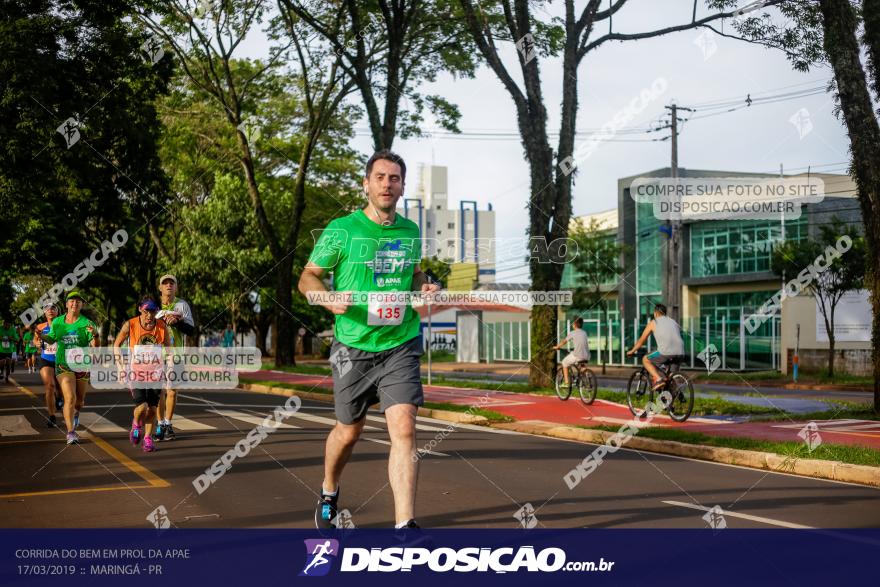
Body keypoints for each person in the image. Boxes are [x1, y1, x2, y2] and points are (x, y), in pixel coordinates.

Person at [299, 149, 439, 530]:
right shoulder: (342, 230)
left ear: (402, 186)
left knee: (405, 427)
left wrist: (423, 284)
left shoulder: (409, 231)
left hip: (400, 341)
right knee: (349, 431)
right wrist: (325, 298)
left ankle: (405, 527)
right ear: (366, 184)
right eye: (380, 177)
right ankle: (329, 488)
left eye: (394, 178)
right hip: (353, 346)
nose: (387, 184)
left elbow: (412, 272)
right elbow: (308, 276)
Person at [40, 292, 99, 444]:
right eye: (71, 301)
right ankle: (71, 432)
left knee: (79, 401)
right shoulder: (58, 322)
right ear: (66, 305)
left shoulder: (88, 323)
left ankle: (77, 412)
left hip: (81, 364)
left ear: (81, 305)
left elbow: (95, 346)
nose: (75, 303)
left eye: (78, 301)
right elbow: (51, 339)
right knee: (70, 397)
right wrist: (41, 336)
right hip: (63, 364)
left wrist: (96, 335)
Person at [114, 296, 170, 453]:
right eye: (146, 311)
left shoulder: (161, 326)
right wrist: (120, 367)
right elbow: (116, 345)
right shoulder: (130, 324)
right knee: (142, 407)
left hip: (156, 374)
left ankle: (147, 438)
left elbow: (169, 348)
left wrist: (170, 367)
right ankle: (136, 424)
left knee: (152, 409)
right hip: (136, 374)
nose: (149, 315)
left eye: (152, 311)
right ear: (140, 309)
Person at [154, 274, 194, 441]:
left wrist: (176, 322)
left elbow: (191, 330)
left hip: (174, 354)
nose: (169, 285)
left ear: (176, 287)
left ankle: (168, 423)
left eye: (172, 283)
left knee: (171, 391)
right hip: (155, 354)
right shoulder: (153, 305)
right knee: (157, 391)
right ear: (160, 288)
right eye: (165, 283)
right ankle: (160, 423)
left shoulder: (182, 305)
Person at [627, 303, 685, 391]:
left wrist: (632, 351)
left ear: (655, 313)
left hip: (665, 352)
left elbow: (642, 340)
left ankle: (658, 379)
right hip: (680, 352)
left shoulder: (654, 322)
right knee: (670, 378)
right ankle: (673, 398)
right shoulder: (673, 321)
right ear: (665, 313)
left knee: (645, 359)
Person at [33, 305, 63, 427]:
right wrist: (38, 343)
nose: (50, 310)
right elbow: (35, 340)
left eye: (53, 308)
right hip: (46, 359)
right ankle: (52, 416)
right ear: (44, 312)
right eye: (47, 308)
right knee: (49, 386)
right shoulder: (40, 327)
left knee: (59, 387)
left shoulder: (63, 325)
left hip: (61, 360)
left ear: (57, 311)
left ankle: (59, 398)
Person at [553, 317, 591, 386]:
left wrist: (557, 347)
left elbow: (564, 341)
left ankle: (566, 382)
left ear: (574, 324)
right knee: (580, 364)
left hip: (578, 355)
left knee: (564, 362)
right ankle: (586, 376)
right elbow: (581, 343)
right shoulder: (584, 333)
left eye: (572, 323)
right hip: (587, 355)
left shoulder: (573, 333)